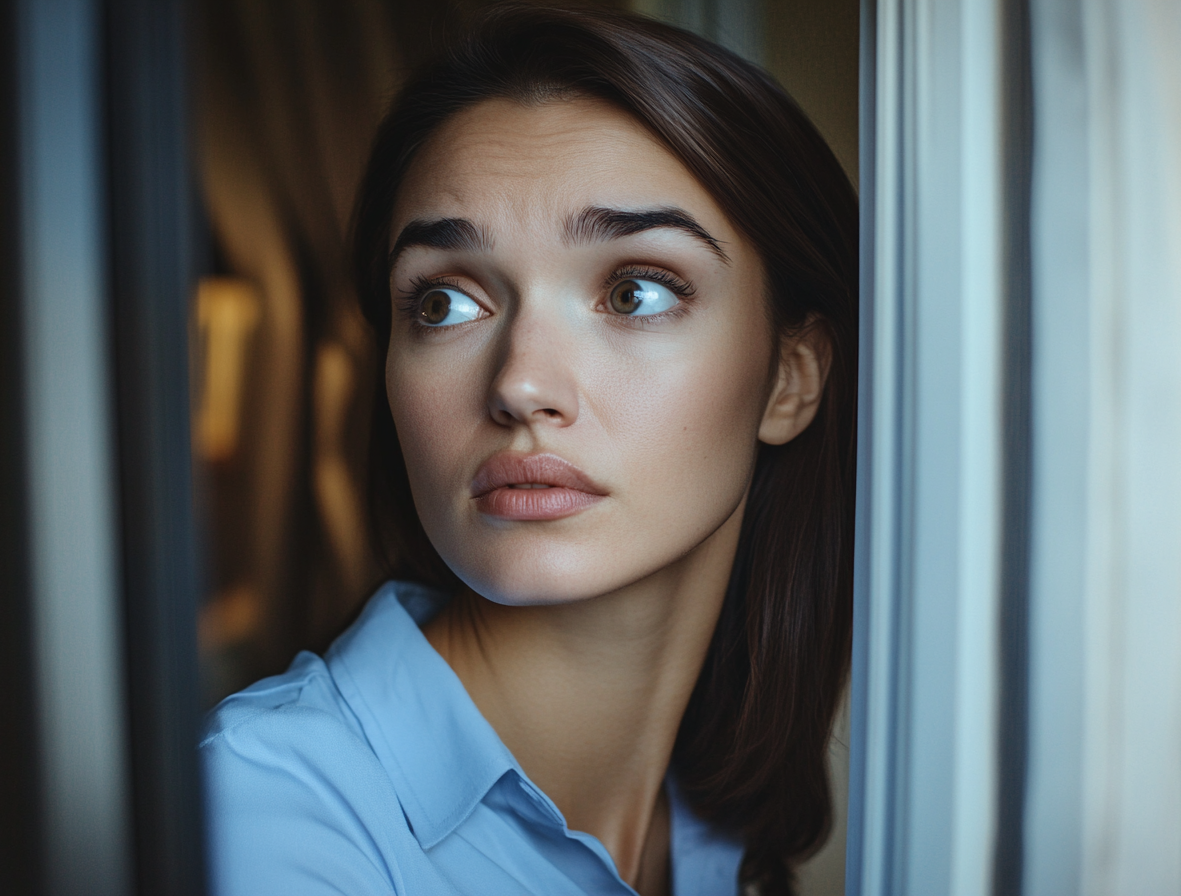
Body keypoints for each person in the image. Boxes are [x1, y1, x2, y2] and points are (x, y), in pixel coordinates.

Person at [200, 5, 857, 895]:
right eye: (444, 305)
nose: (519, 384)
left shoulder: (719, 833)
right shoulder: (267, 817)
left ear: (791, 378)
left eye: (635, 292)